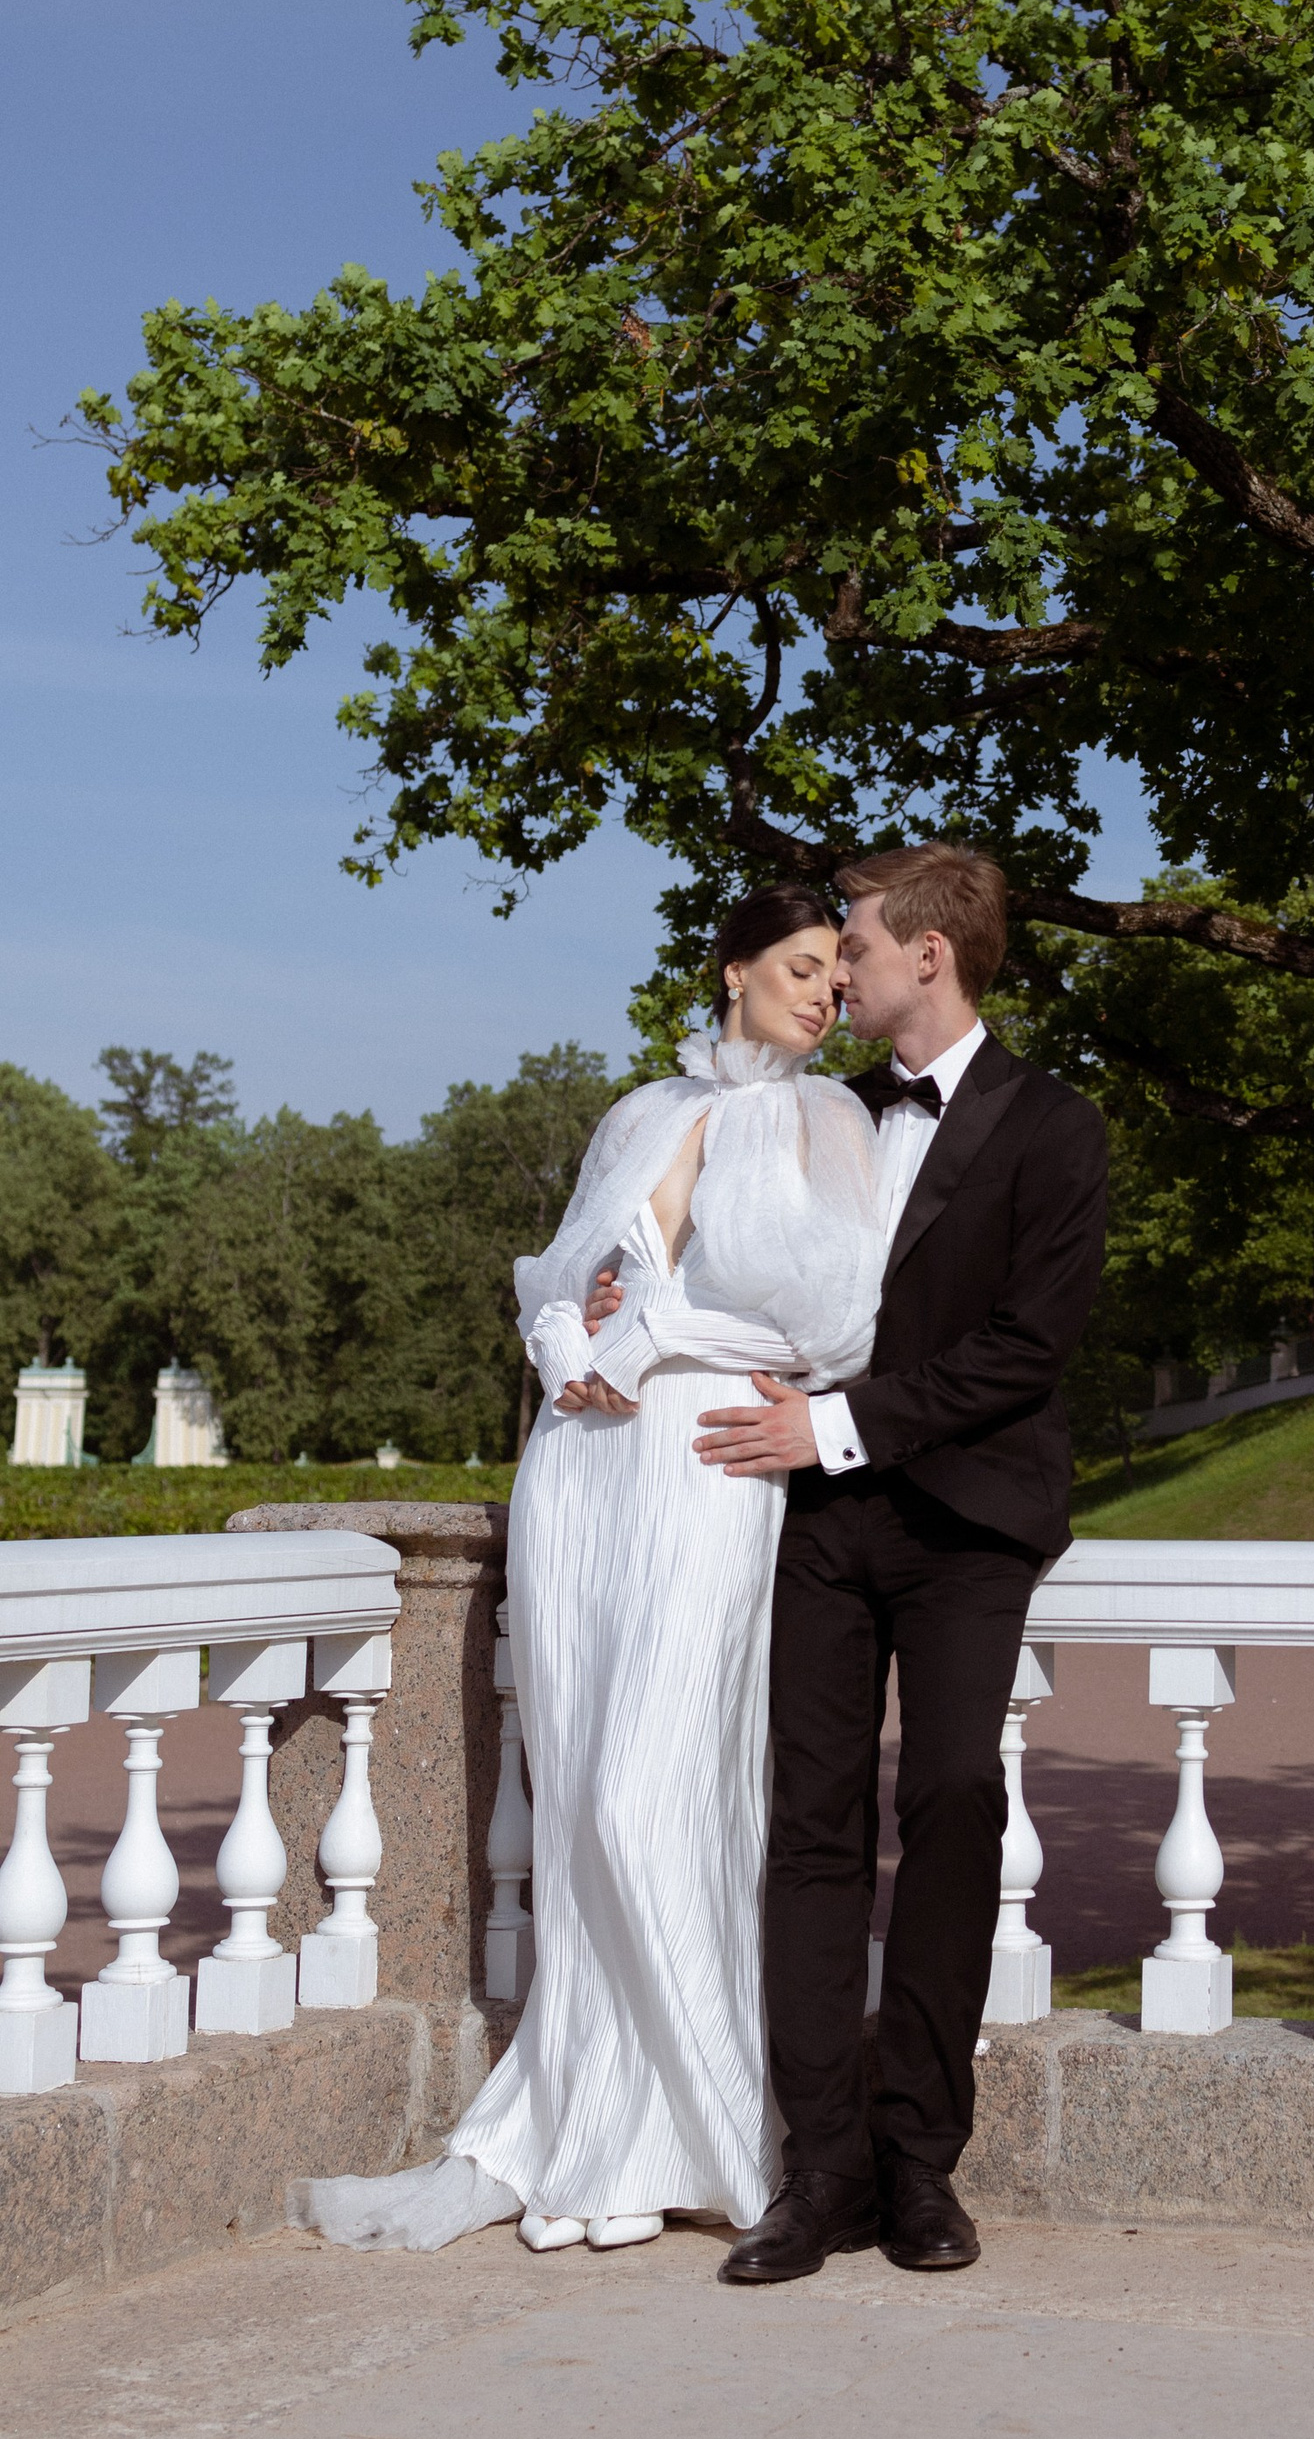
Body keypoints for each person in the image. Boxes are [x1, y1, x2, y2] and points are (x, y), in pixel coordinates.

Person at [301, 882, 886, 2255]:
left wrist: (658, 1330)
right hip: (580, 1467)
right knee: (575, 1806)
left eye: (834, 977)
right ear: (732, 970)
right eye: (798, 968)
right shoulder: (636, 1114)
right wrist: (572, 1346)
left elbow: (839, 1316)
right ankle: (598, 2131)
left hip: (709, 1454)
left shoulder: (832, 1121)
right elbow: (557, 1276)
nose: (822, 995)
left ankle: (717, 2138)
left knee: (653, 1794)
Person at [643, 840, 1108, 2284]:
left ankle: (921, 2163)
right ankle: (821, 2169)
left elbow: (1027, 1351)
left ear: (929, 955)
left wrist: (837, 1427)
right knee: (811, 1830)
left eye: (851, 938)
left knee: (958, 1801)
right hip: (820, 1534)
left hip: (969, 1525)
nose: (834, 964)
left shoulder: (1055, 1127)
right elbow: (698, 1269)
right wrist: (607, 1335)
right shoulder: (810, 1114)